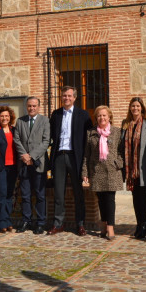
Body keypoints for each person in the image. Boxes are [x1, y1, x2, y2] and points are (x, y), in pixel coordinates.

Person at [49, 86, 93, 236]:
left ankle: (80, 224)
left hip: (76, 157)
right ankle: (58, 223)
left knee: (78, 192)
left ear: (74, 98)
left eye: (69, 96)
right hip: (59, 157)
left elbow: (89, 138)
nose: (66, 98)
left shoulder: (83, 115)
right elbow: (51, 137)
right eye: (64, 96)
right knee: (59, 193)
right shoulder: (55, 114)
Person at [82, 106, 124, 240]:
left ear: (109, 117)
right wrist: (85, 172)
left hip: (112, 171)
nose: (102, 118)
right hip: (96, 171)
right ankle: (105, 224)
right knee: (101, 200)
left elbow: (122, 152)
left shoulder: (117, 132)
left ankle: (110, 227)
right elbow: (86, 155)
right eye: (99, 116)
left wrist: (118, 163)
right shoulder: (91, 133)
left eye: (104, 115)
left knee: (110, 199)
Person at [14, 97, 50, 234]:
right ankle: (26, 221)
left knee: (40, 195)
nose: (32, 108)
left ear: (38, 107)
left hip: (38, 163)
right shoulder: (20, 121)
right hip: (24, 164)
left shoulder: (45, 121)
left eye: (34, 106)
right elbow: (16, 139)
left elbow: (46, 141)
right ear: (26, 106)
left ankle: (40, 222)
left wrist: (32, 156)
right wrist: (24, 156)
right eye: (29, 106)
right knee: (25, 195)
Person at [121, 97, 146, 239]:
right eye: (133, 106)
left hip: (143, 166)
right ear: (130, 108)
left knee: (144, 196)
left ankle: (144, 225)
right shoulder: (125, 123)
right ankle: (138, 223)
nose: (135, 108)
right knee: (135, 196)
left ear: (142, 108)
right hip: (131, 168)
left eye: (138, 106)